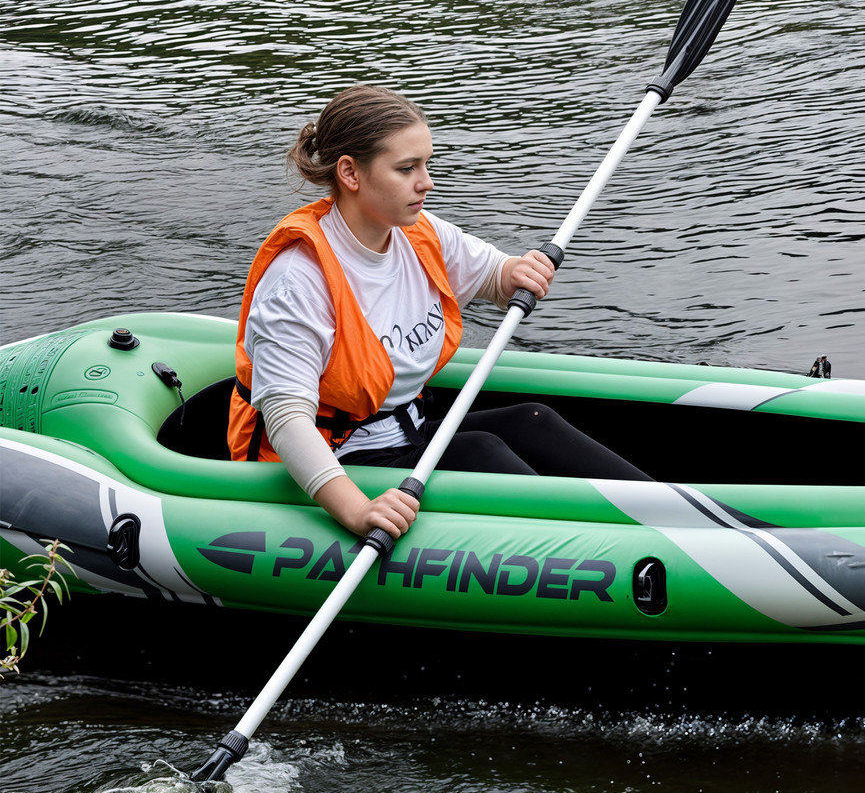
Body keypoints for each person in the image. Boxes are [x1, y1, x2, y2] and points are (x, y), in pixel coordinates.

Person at [228, 86, 649, 541]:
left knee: (534, 420)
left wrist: (516, 271)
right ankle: (612, 547)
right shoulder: (299, 280)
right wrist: (355, 510)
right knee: (483, 452)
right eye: (407, 168)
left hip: (407, 431)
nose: (426, 182)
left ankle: (663, 511)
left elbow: (493, 275)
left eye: (426, 164)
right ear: (350, 172)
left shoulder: (417, 233)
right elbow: (287, 417)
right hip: (341, 459)